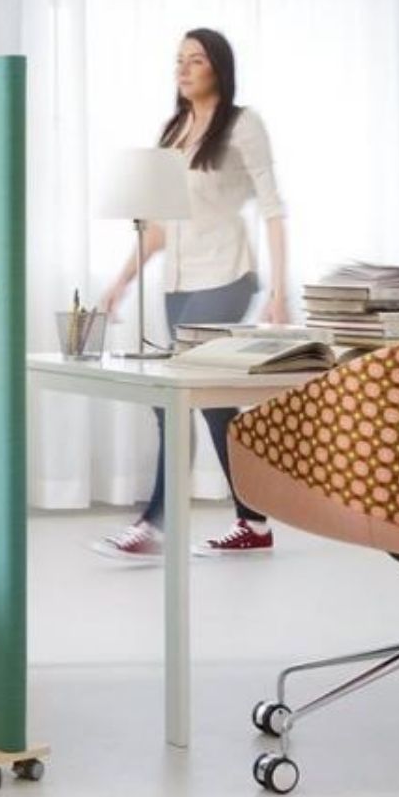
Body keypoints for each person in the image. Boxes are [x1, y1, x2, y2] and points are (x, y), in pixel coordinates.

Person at [92, 28, 289, 563]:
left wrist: (279, 293)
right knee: (215, 409)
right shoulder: (174, 130)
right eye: (178, 60)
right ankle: (253, 523)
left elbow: (273, 207)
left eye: (195, 60)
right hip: (178, 284)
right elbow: (161, 224)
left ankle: (153, 525)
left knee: (172, 399)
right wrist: (122, 279)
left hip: (227, 277)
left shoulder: (244, 125)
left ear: (218, 68)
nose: (183, 68)